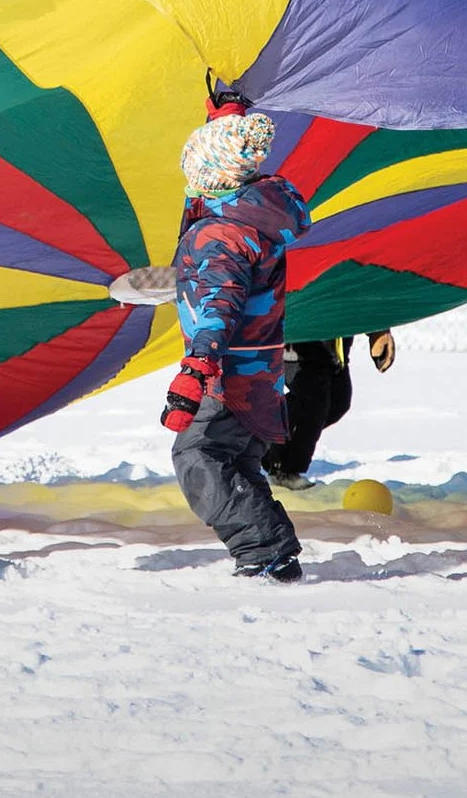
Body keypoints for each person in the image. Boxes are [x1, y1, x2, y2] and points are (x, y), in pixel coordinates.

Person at [164, 89, 307, 581]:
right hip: (261, 369)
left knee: (197, 455)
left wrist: (195, 368)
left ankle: (264, 553)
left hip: (228, 374)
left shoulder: (218, 237)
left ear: (207, 175)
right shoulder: (251, 211)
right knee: (237, 462)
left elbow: (218, 308)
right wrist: (229, 122)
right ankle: (274, 553)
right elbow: (205, 196)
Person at [263, 330, 393, 489]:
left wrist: (379, 331)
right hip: (302, 345)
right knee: (314, 405)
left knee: (338, 403)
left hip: (335, 347)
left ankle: (267, 439)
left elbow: (364, 304)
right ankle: (285, 469)